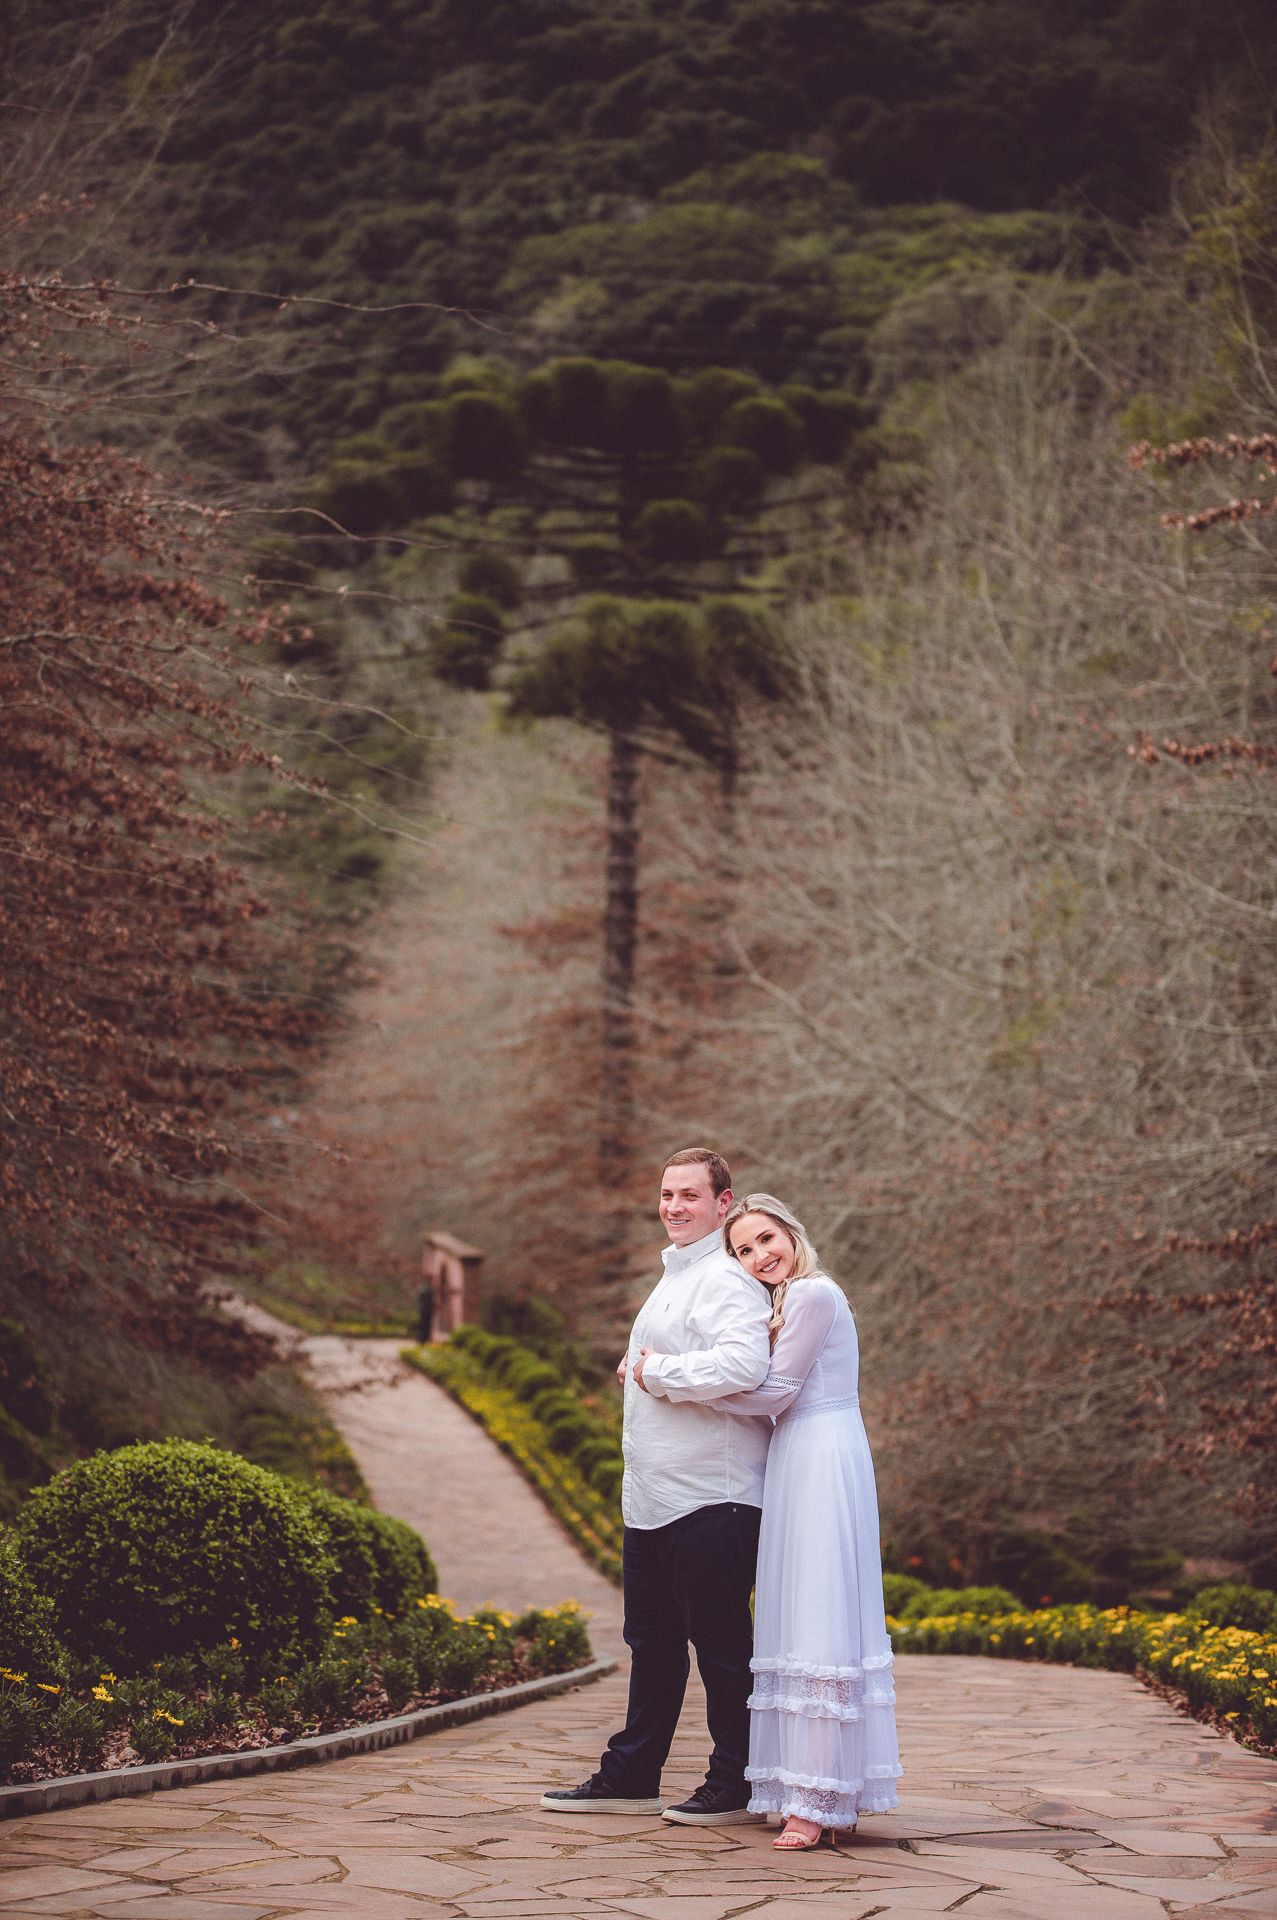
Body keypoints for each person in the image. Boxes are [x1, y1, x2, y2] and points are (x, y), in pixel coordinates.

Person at [640, 1193, 902, 1850]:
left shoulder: (813, 1294)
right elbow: (765, 1395)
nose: (760, 1257)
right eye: (744, 1250)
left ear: (791, 1232)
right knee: (790, 1614)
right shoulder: (787, 1302)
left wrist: (661, 1376)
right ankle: (796, 1787)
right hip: (793, 1454)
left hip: (820, 1450)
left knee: (817, 1613)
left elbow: (773, 1391)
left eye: (765, 1240)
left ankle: (813, 1805)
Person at [541, 1147, 772, 1825]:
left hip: (713, 1498)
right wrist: (645, 1366)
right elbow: (656, 1362)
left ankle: (735, 1782)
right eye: (667, 1195)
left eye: (690, 1196)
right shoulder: (673, 1277)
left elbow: (743, 1364)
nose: (674, 1207)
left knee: (722, 1648)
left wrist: (654, 1371)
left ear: (723, 1203)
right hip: (653, 1501)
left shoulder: (725, 1278)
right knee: (653, 1641)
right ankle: (632, 1774)